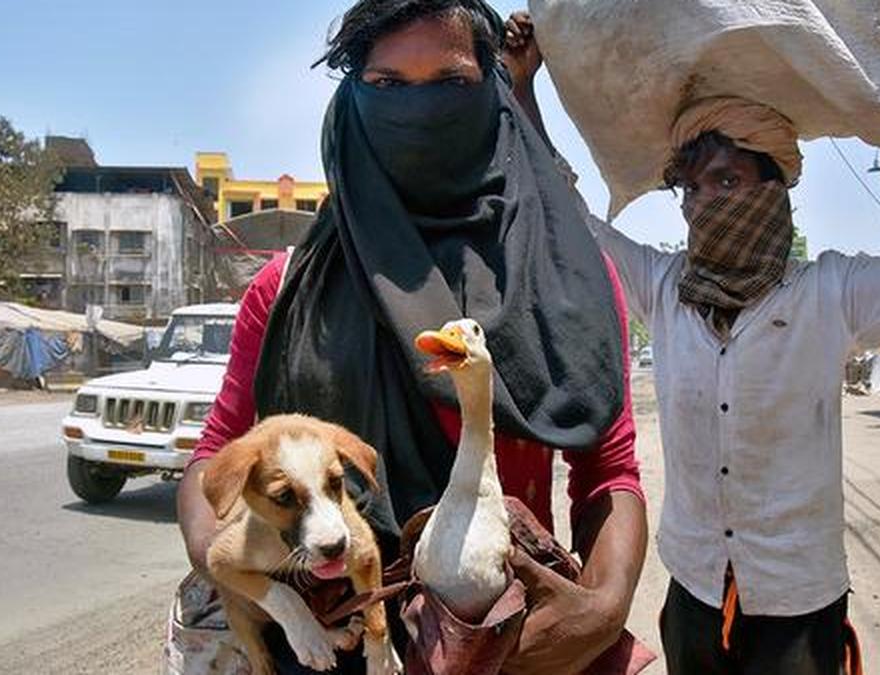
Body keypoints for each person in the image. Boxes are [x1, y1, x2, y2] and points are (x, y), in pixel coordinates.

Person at [503, 3, 880, 674]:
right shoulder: (665, 289)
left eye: (727, 180)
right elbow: (565, 215)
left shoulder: (830, 295)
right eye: (690, 188)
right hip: (693, 595)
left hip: (799, 609)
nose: (704, 203)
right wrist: (523, 87)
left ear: (775, 185)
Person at [167, 2, 650, 674]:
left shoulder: (567, 288)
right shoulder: (285, 291)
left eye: (450, 82)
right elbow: (217, 452)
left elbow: (608, 472)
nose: (418, 113)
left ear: (493, 94)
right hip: (331, 647)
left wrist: (603, 608)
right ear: (352, 103)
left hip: (505, 646)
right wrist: (224, 562)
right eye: (388, 84)